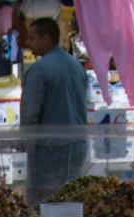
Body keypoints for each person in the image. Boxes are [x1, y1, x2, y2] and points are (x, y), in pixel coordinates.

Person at [20, 17, 88, 202]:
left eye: (32, 38)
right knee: (72, 200)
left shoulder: (39, 70)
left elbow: (30, 113)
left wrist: (25, 142)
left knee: (45, 203)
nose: (27, 43)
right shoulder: (77, 66)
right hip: (78, 146)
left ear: (46, 39)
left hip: (48, 149)